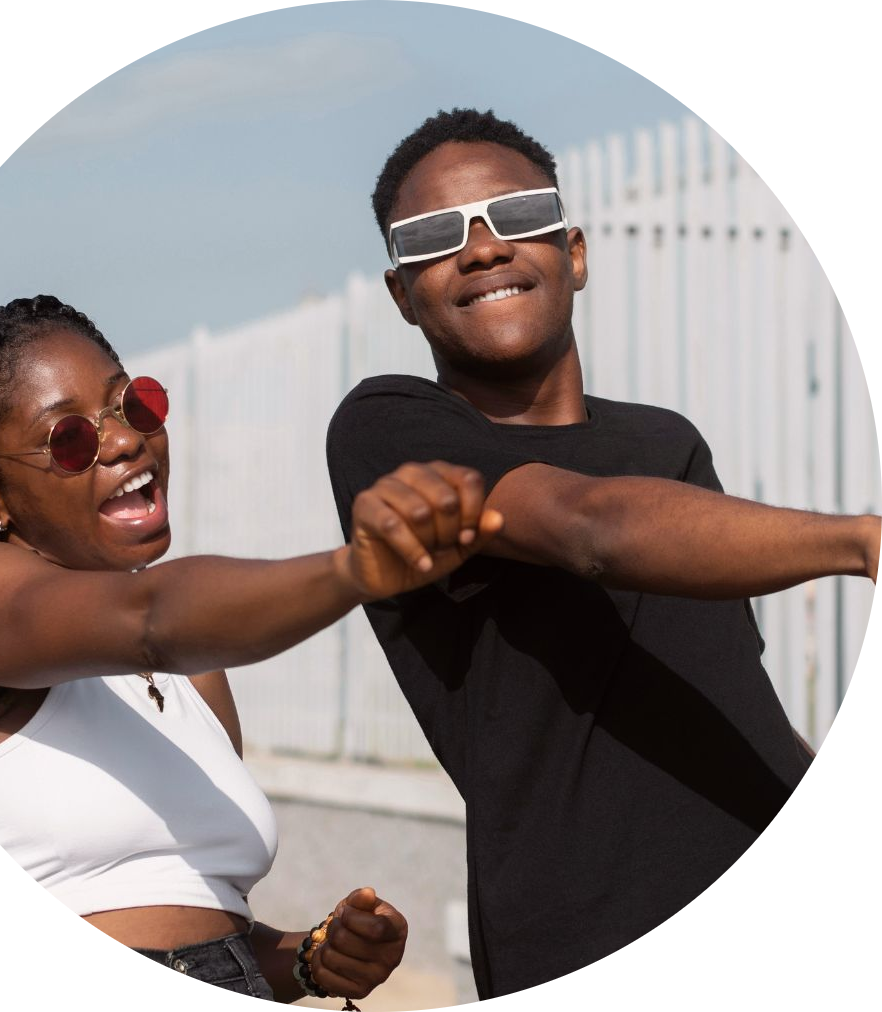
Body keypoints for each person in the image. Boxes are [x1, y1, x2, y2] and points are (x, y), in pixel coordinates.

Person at [325, 108, 881, 997]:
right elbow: (588, 530)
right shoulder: (388, 428)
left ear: (574, 252)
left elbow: (733, 690)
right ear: (402, 294)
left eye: (517, 216)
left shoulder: (668, 443)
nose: (482, 249)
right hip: (582, 932)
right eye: (435, 236)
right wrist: (861, 540)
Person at [0, 294, 505, 1000]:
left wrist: (308, 957)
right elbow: (151, 616)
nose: (124, 441)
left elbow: (200, 924)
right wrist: (352, 570)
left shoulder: (192, 670)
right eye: (70, 438)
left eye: (133, 404)